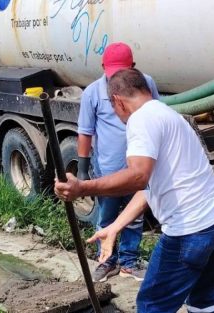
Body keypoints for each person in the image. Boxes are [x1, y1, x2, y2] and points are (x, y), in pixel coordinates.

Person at [56, 68, 214, 313]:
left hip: (189, 231)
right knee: (202, 293)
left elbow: (137, 176)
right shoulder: (168, 115)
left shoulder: (140, 121)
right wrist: (115, 226)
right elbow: (150, 186)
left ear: (117, 101)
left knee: (152, 303)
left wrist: (83, 187)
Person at [77, 42, 160, 283]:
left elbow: (155, 115)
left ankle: (129, 262)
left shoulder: (146, 84)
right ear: (103, 67)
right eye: (112, 73)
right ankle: (107, 261)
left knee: (134, 218)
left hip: (137, 168)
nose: (116, 78)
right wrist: (82, 169)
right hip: (108, 170)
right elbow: (85, 131)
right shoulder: (92, 92)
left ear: (133, 67)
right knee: (107, 217)